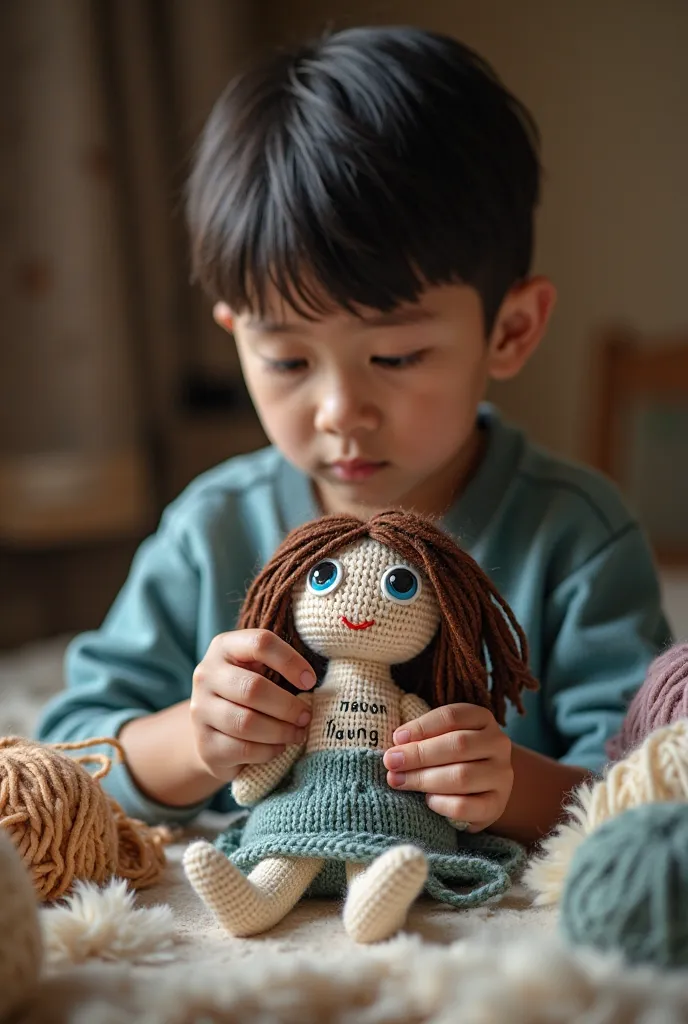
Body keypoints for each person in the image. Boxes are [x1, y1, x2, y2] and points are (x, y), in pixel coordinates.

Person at [36, 26, 672, 846]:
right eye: (288, 360)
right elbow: (70, 753)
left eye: (396, 355)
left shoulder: (576, 534)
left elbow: (651, 778)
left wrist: (512, 785)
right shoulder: (212, 527)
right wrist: (192, 744)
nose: (339, 409)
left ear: (510, 330)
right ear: (235, 336)